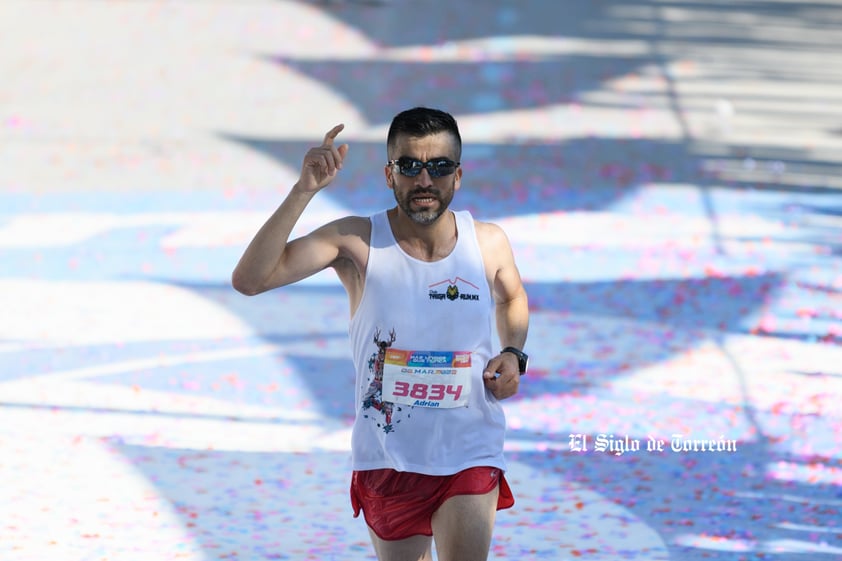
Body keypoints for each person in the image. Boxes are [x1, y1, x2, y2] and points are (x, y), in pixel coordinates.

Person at [232, 107, 529, 561]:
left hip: (470, 451)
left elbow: (511, 299)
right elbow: (250, 280)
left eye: (439, 166)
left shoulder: (487, 242)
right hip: (388, 458)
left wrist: (512, 351)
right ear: (389, 174)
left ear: (458, 175)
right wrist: (302, 192)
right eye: (409, 166)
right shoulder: (356, 243)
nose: (424, 180)